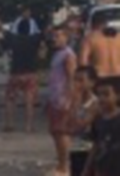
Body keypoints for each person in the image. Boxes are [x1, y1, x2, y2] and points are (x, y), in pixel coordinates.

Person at [2, 16, 45, 133]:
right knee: (29, 101)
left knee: (10, 99)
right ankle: (28, 126)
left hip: (15, 73)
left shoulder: (13, 39)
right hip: (30, 73)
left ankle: (9, 124)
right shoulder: (34, 39)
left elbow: (4, 35)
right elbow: (44, 34)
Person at [47, 27, 78, 176]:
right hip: (54, 98)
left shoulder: (68, 55)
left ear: (67, 38)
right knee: (55, 132)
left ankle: (64, 167)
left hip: (62, 99)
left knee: (62, 132)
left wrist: (69, 98)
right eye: (54, 36)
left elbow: (72, 78)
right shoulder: (57, 54)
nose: (55, 39)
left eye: (59, 36)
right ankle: (60, 164)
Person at [84, 77, 120, 176]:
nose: (101, 98)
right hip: (102, 168)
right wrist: (87, 168)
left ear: (117, 95)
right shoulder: (98, 119)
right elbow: (95, 145)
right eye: (99, 95)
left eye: (106, 94)